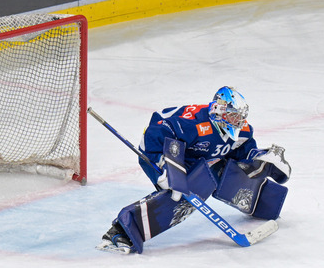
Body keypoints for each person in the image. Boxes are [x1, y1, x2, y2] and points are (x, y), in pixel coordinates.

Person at [97, 86, 291, 254]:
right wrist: (164, 165)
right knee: (183, 193)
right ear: (219, 110)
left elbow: (242, 152)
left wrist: (259, 158)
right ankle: (121, 232)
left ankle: (265, 203)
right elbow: (156, 132)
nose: (238, 121)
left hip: (197, 159)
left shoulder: (242, 131)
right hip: (160, 151)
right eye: (233, 115)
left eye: (239, 117)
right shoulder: (193, 123)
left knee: (226, 173)